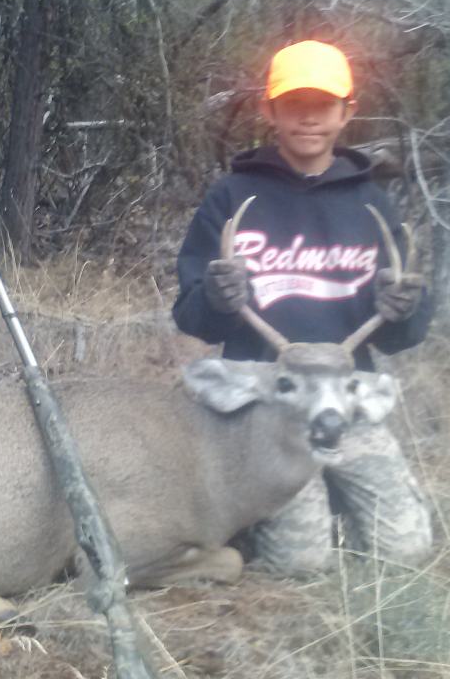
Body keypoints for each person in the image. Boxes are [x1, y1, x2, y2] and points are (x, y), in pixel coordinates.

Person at [173, 40, 433, 574]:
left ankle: (335, 496)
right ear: (269, 111)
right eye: (293, 104)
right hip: (271, 405)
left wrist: (406, 309)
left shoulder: (372, 204)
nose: (309, 117)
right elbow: (191, 317)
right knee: (301, 566)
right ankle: (280, 512)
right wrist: (215, 299)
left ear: (347, 113)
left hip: (346, 399)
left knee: (406, 553)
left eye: (323, 104)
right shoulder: (233, 197)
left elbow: (399, 336)